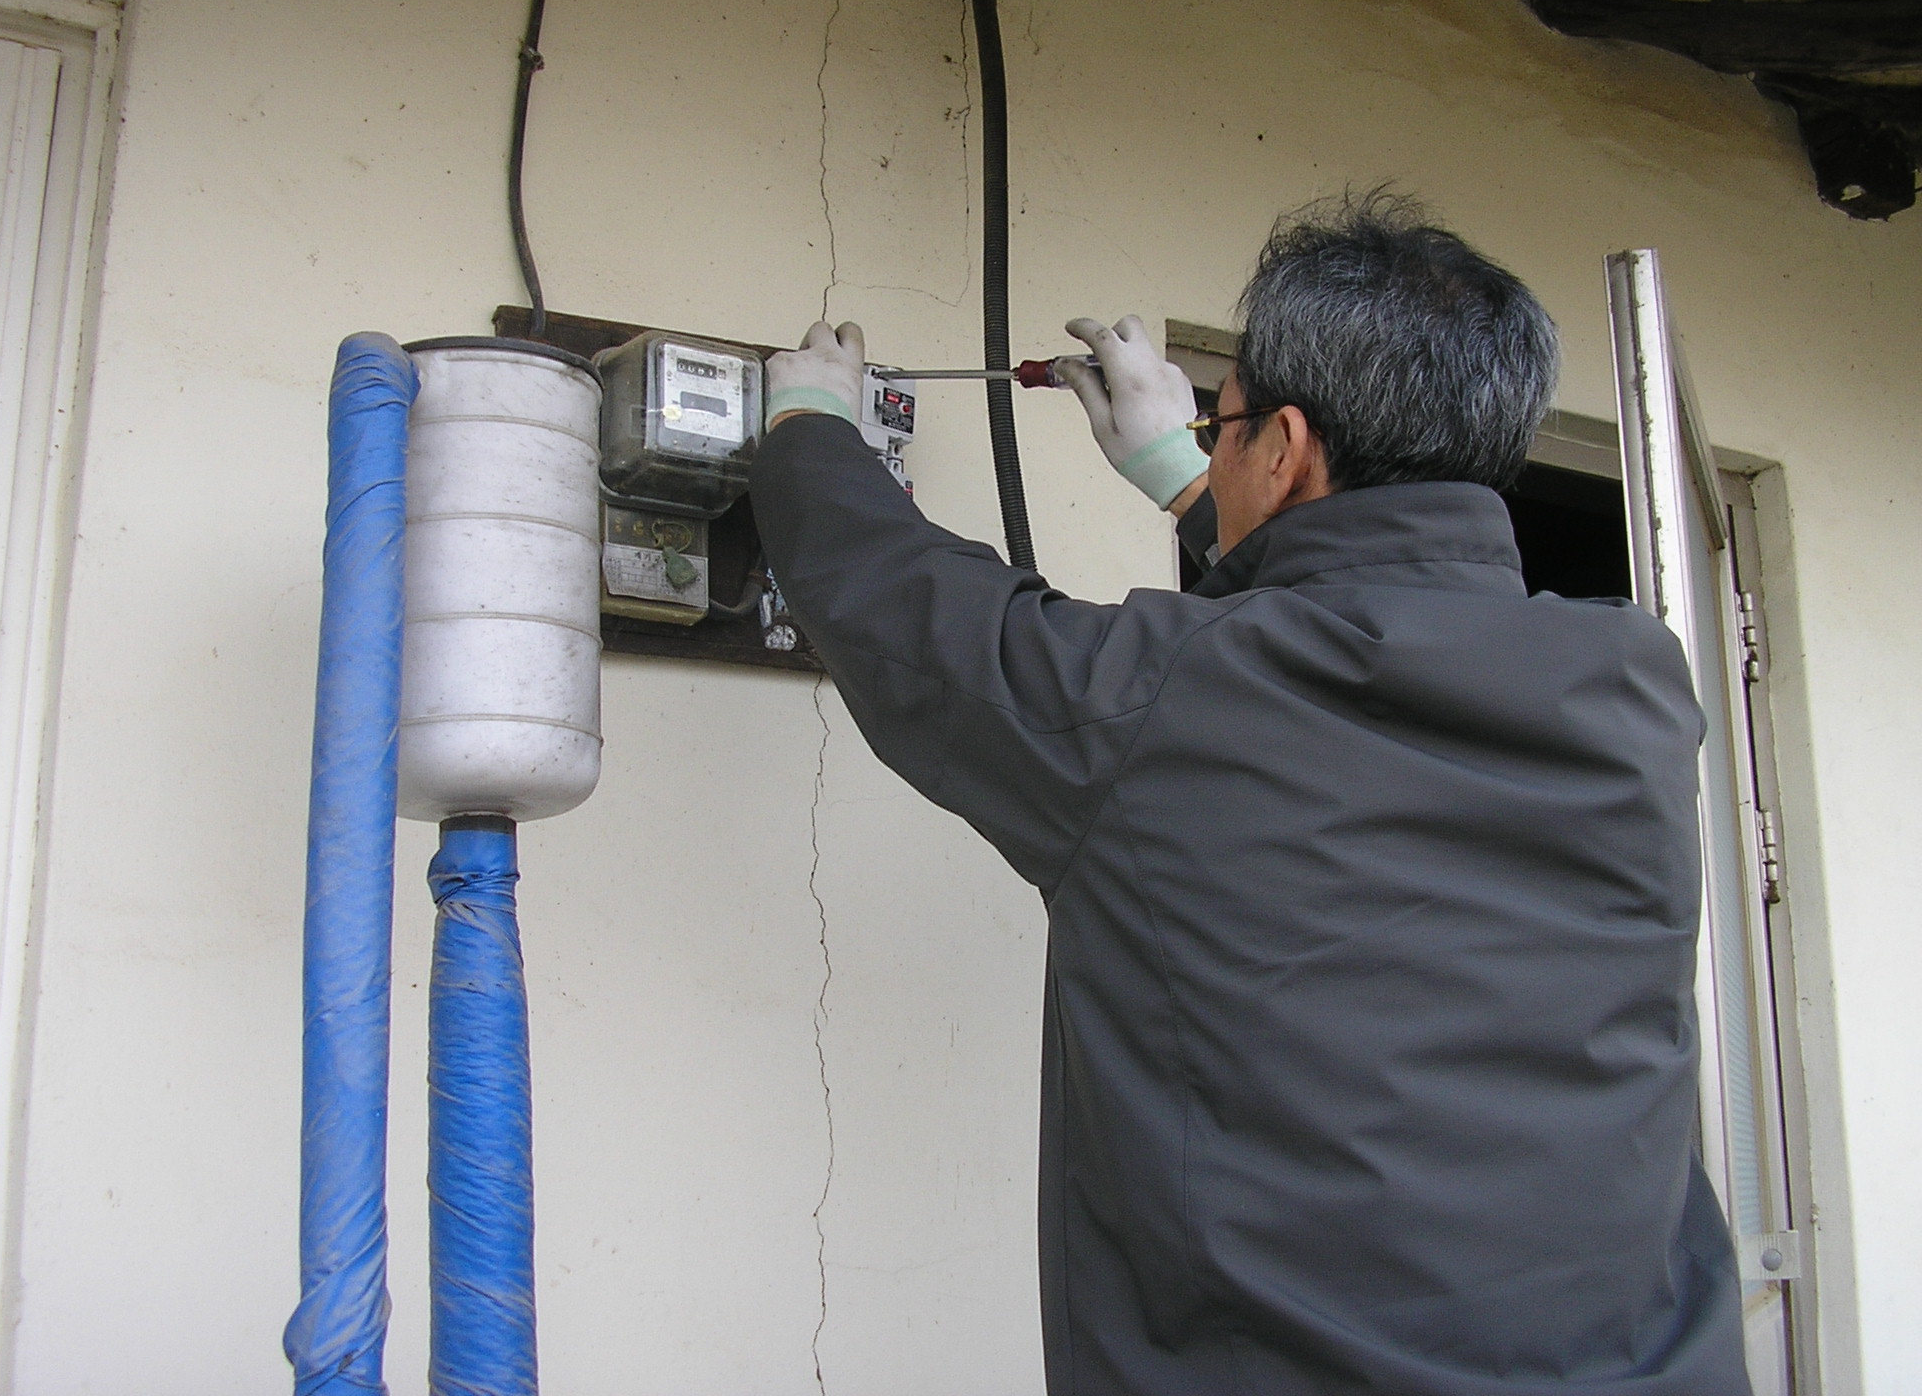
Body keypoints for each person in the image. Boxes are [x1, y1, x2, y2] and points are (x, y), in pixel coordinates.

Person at [748, 193, 1751, 1395]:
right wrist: (1189, 480)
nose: (1208, 445)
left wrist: (809, 429)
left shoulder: (1155, 703)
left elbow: (910, 613)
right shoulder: (1636, 685)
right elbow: (1357, 636)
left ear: (1282, 449)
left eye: (1221, 428)